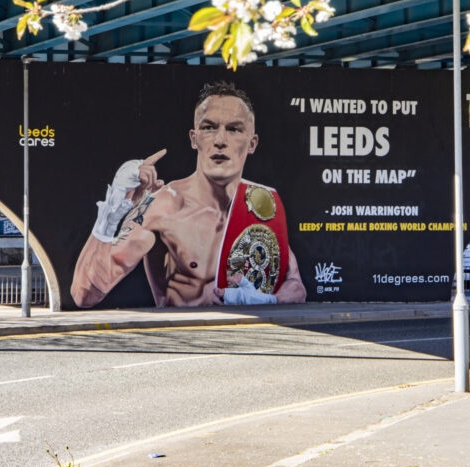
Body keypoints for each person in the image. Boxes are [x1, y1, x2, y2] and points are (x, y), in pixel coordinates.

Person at [71, 81, 306, 308]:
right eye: (209, 128)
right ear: (194, 139)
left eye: (234, 129)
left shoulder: (262, 203)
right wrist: (113, 209)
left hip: (250, 342)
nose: (220, 141)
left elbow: (296, 286)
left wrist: (266, 300)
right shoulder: (165, 205)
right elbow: (85, 293)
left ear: (252, 143)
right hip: (189, 342)